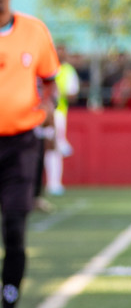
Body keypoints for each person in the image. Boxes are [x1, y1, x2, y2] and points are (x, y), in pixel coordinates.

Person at [0, 0, 61, 308]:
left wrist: (50, 107)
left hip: (21, 145)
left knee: (15, 235)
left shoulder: (35, 31)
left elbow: (50, 82)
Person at [40, 42, 79, 197]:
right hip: (41, 111)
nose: (60, 54)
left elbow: (73, 95)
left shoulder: (68, 71)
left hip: (58, 112)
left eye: (63, 51)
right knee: (43, 147)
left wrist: (57, 93)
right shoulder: (45, 66)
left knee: (53, 147)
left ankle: (54, 183)